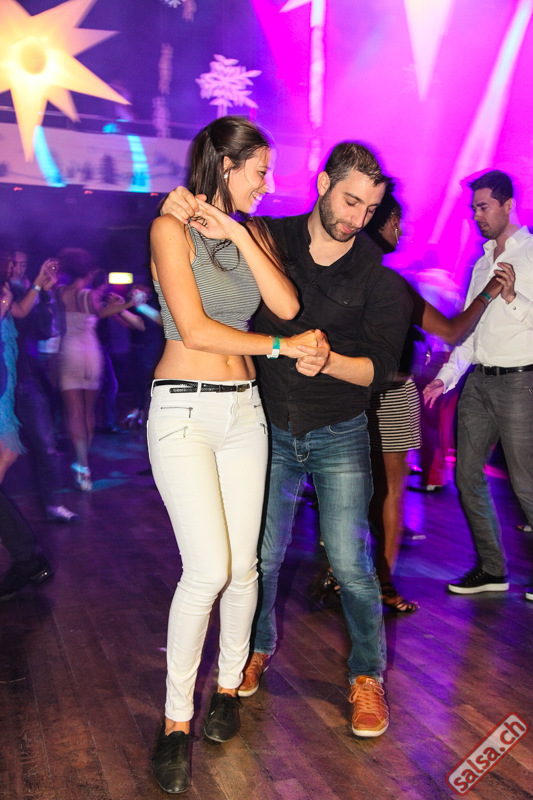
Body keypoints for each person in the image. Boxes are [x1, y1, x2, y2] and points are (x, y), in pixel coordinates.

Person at [163, 141, 412, 742]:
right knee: (262, 558)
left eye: (369, 209)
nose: (357, 218)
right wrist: (176, 205)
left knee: (351, 563)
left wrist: (327, 361)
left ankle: (366, 675)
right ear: (324, 183)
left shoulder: (381, 282)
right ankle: (256, 649)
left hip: (339, 431)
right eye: (349, 201)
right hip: (264, 424)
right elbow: (206, 235)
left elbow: (378, 371)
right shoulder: (269, 237)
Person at [149, 115, 317, 794]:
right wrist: (281, 348)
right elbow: (193, 328)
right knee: (208, 569)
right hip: (183, 411)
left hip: (244, 414)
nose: (266, 183)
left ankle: (225, 688)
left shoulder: (256, 233)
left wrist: (239, 233)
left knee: (245, 567)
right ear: (226, 163)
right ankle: (173, 723)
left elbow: (286, 303)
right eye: (259, 171)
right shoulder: (169, 227)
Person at [362, 189, 503, 613]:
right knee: (389, 492)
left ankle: (349, 574)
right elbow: (453, 330)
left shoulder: (341, 278)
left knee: (351, 490)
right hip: (387, 393)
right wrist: (489, 292)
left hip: (353, 393)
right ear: (379, 224)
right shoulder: (394, 285)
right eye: (395, 222)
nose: (400, 231)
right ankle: (381, 583)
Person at [423, 170, 533, 601]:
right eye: (474, 208)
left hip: (520, 382)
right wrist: (446, 377)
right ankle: (491, 568)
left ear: (508, 205)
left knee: (526, 483)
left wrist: (513, 298)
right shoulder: (484, 262)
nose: (477, 215)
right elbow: (470, 330)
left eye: (484, 207)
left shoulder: (530, 255)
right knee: (466, 475)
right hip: (479, 384)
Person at [56, 249, 135, 490]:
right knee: (89, 413)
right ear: (89, 271)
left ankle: (80, 466)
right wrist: (131, 303)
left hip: (69, 353)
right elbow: (101, 312)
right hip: (90, 354)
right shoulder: (89, 295)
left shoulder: (60, 292)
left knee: (74, 414)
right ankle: (83, 466)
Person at [0, 252, 54, 600]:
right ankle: (28, 559)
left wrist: (36, 285)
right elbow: (16, 310)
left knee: (6, 451)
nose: (12, 268)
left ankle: (28, 559)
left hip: (3, 380)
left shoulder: (4, 290)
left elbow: (16, 310)